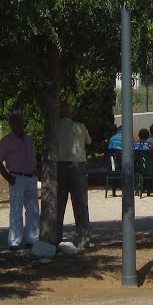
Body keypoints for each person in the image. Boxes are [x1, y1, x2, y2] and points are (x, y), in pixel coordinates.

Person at [0, 111, 39, 250]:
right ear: (11, 124)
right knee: (16, 210)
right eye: (16, 122)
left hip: (31, 177)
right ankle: (14, 241)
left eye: (21, 122)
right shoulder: (6, 141)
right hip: (17, 178)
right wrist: (9, 178)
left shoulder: (29, 138)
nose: (19, 125)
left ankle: (32, 239)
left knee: (33, 209)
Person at [55, 103, 91, 249]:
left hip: (60, 166)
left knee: (59, 204)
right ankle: (83, 238)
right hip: (77, 165)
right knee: (80, 203)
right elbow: (88, 141)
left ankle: (55, 237)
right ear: (71, 114)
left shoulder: (55, 127)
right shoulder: (80, 127)